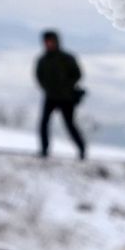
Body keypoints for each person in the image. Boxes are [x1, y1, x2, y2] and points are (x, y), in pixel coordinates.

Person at [35, 30, 86, 160]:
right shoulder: (43, 60)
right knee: (44, 124)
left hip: (66, 98)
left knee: (69, 125)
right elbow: (39, 76)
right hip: (50, 97)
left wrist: (66, 87)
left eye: (50, 41)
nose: (48, 44)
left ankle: (82, 150)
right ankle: (44, 150)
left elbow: (77, 74)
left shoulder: (67, 58)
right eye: (46, 41)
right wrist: (48, 88)